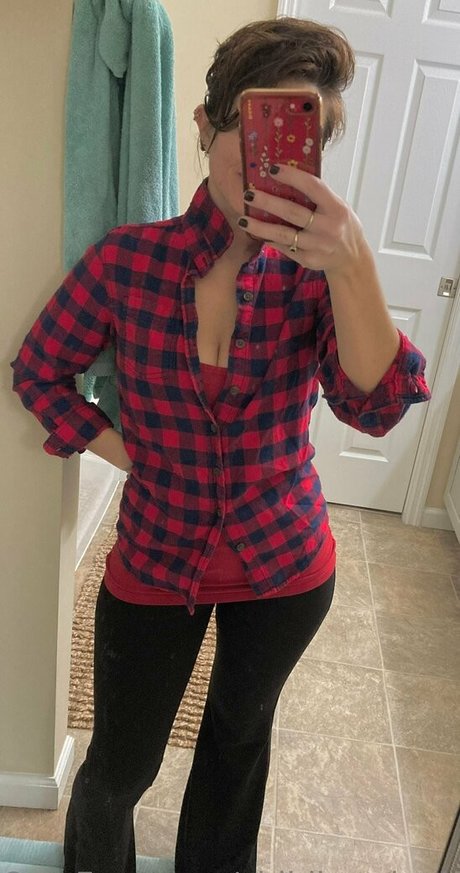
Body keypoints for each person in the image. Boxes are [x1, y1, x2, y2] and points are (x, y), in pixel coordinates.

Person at [10, 16, 431, 873]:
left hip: (288, 566)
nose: (274, 157)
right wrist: (129, 452)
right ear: (207, 125)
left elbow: (377, 406)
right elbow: (40, 370)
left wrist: (352, 260)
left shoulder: (318, 281)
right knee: (118, 769)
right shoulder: (127, 263)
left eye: (302, 134)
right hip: (155, 558)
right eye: (257, 124)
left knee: (236, 753)